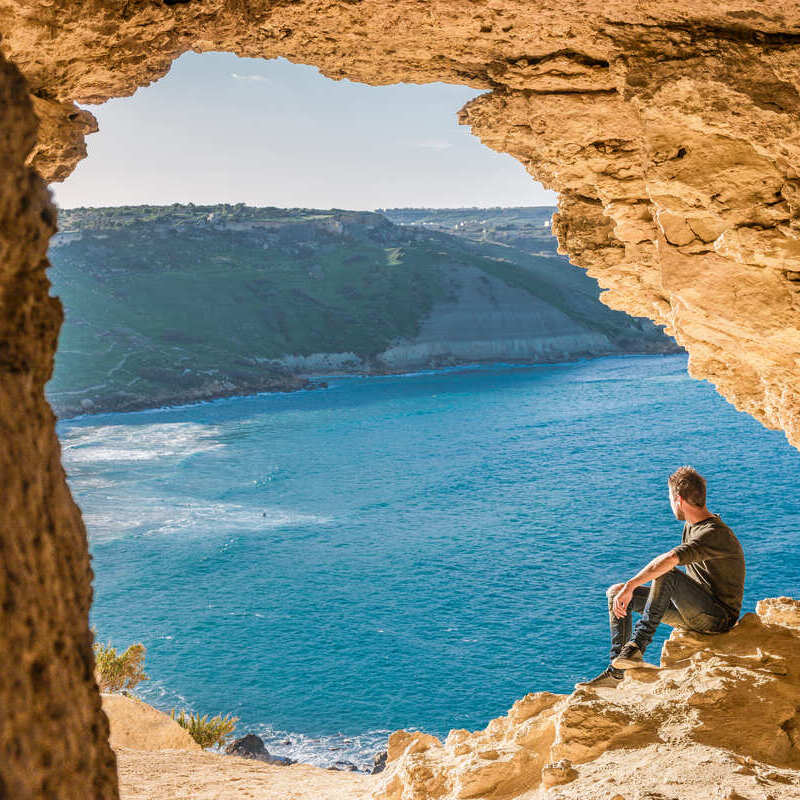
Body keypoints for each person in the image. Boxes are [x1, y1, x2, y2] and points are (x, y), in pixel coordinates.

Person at [579, 465, 745, 689]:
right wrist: (626, 589)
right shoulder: (692, 526)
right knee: (615, 593)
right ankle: (617, 670)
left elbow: (668, 560)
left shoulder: (713, 533)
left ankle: (637, 646)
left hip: (718, 618)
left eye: (669, 498)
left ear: (679, 500)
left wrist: (632, 584)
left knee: (665, 572)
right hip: (693, 610)